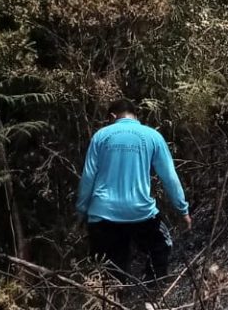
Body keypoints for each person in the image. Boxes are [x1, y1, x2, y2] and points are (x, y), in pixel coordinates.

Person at [76, 99, 191, 282]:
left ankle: (113, 308)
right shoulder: (152, 136)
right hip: (140, 213)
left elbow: (88, 176)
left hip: (102, 214)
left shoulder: (100, 136)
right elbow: (169, 176)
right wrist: (182, 209)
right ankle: (153, 299)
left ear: (112, 116)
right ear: (135, 115)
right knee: (160, 247)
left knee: (109, 272)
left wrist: (82, 211)